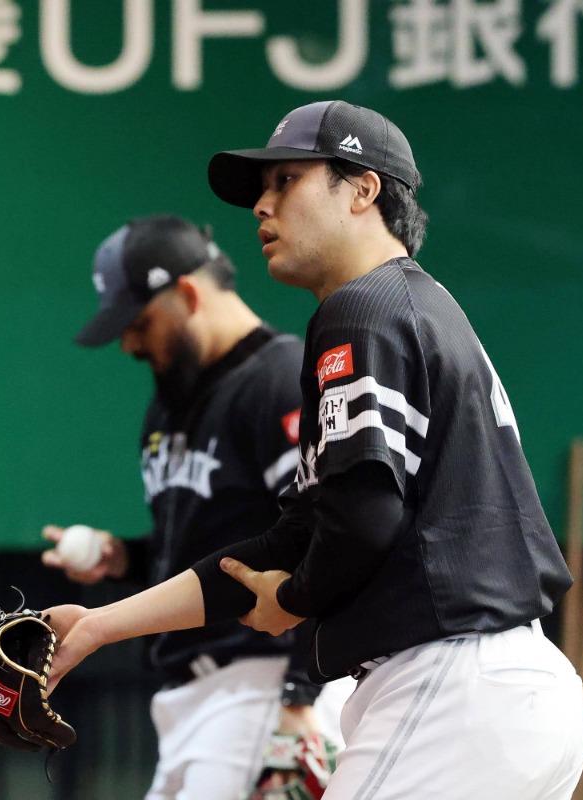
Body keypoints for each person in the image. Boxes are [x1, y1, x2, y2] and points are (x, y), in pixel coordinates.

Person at [45, 103, 583, 800]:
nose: (262, 207)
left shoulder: (361, 311)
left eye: (286, 181)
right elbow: (290, 538)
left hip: (451, 685)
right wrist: (98, 626)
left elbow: (363, 520)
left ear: (362, 189)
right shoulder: (408, 306)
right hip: (497, 686)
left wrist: (294, 600)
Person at [43, 214, 352, 800]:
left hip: (258, 684)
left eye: (139, 323)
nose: (129, 344)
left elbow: (323, 541)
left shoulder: (279, 379)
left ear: (187, 294)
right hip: (189, 700)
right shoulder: (172, 403)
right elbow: (195, 542)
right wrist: (119, 556)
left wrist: (297, 699)